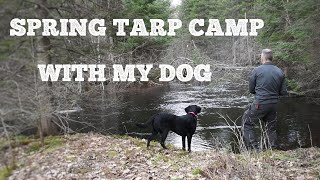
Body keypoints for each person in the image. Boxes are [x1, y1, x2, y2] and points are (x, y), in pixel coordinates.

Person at [242, 49, 288, 151]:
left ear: (263, 57)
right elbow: (283, 92)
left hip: (260, 103)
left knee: (247, 122)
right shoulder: (279, 71)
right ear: (271, 58)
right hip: (274, 104)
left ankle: (255, 149)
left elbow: (251, 90)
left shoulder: (256, 70)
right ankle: (274, 148)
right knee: (271, 127)